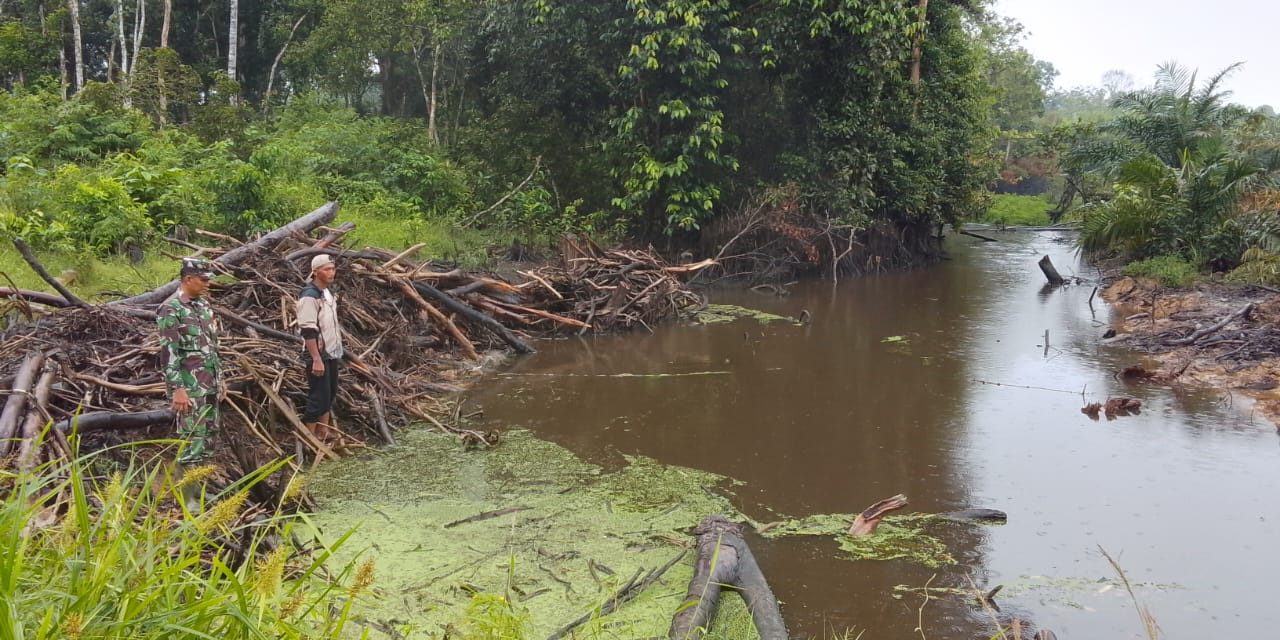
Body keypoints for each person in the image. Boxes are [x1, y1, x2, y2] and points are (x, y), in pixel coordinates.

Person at [156, 258, 223, 464]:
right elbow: (169, 352)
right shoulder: (171, 308)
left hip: (209, 383)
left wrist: (220, 378)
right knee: (192, 440)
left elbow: (213, 345)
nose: (207, 284)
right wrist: (177, 389)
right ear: (188, 279)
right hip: (190, 388)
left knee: (210, 437)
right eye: (203, 280)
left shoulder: (203, 305)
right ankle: (188, 492)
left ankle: (204, 487)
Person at [297, 254, 344, 443]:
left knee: (330, 392)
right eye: (326, 269)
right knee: (318, 395)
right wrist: (316, 358)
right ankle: (309, 436)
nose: (331, 272)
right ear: (316, 272)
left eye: (332, 268)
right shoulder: (309, 295)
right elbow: (308, 329)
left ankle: (323, 431)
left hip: (332, 351)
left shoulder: (326, 292)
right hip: (317, 353)